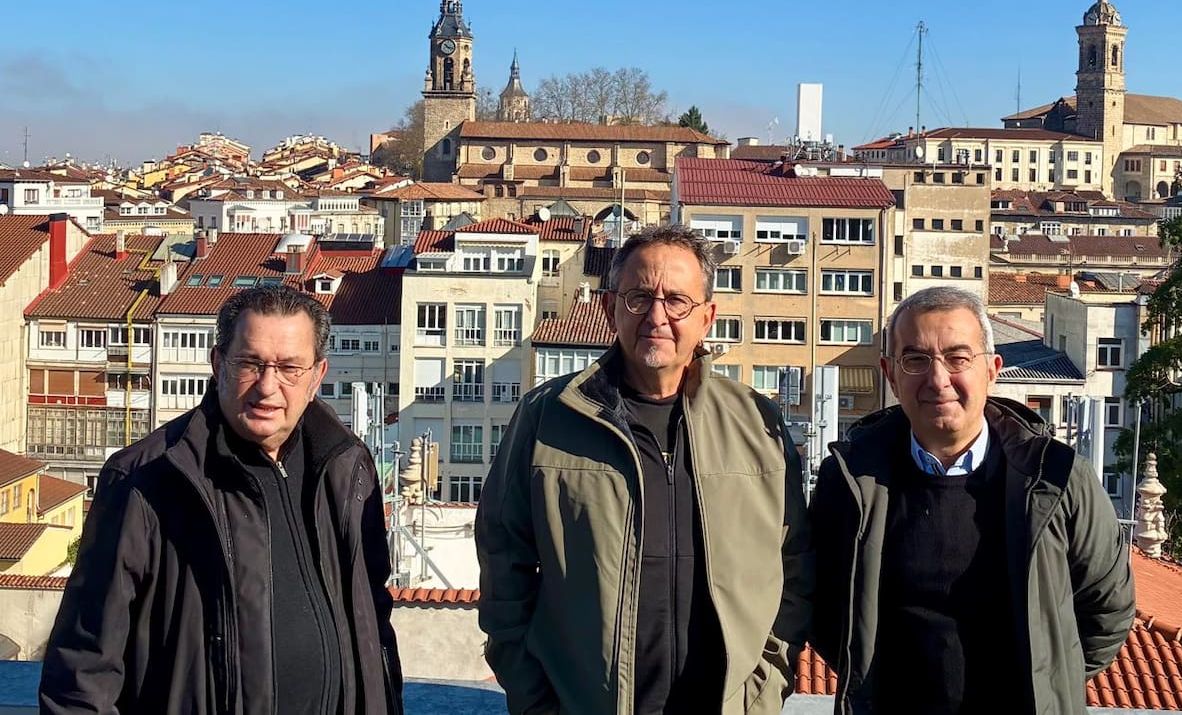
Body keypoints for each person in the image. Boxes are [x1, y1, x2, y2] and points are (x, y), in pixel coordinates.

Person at [476, 224, 812, 715]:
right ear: (610, 308)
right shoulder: (547, 417)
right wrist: (536, 701)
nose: (657, 316)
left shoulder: (757, 425)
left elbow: (794, 566)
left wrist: (759, 692)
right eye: (638, 298)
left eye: (677, 301)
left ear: (707, 317)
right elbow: (503, 560)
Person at [40, 284, 404, 714]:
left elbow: (372, 619)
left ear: (317, 376)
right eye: (250, 364)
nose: (267, 387)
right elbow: (82, 669)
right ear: (218, 364)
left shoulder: (345, 467)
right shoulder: (147, 479)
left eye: (289, 368)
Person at [810, 286, 1135, 714]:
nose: (938, 379)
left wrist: (1049, 680)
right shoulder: (850, 481)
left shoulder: (1057, 478)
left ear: (992, 370)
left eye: (957, 359)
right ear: (890, 374)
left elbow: (1108, 610)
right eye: (916, 360)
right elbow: (823, 607)